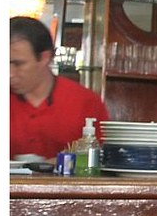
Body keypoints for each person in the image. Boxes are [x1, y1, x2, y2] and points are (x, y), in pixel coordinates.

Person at [9, 16, 109, 160]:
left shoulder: (85, 102)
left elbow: (101, 160)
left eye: (18, 64)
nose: (9, 73)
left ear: (44, 58)